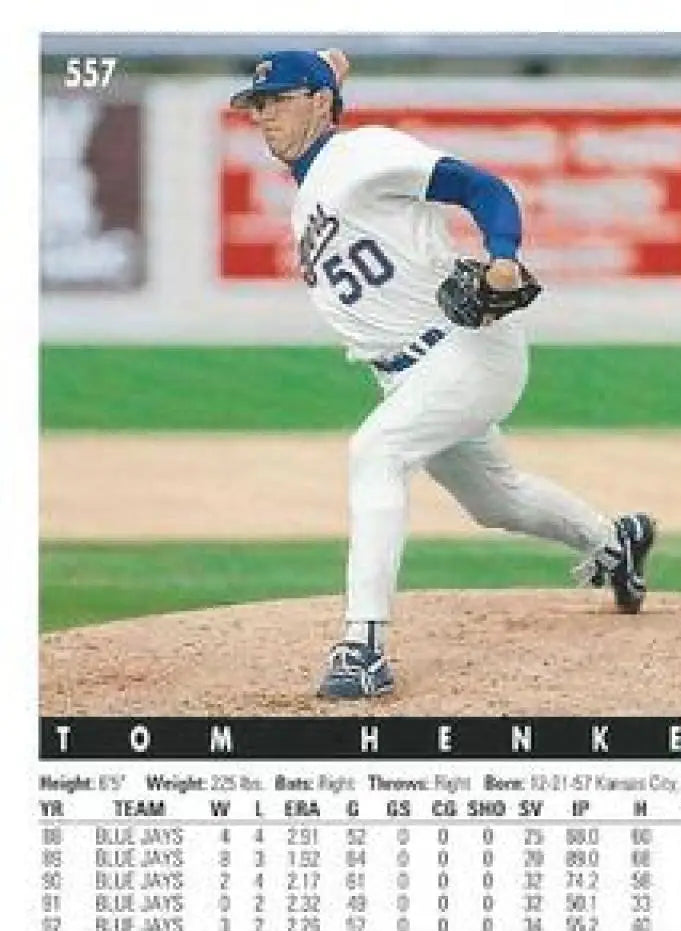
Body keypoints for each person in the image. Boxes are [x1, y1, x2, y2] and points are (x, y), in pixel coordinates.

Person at [230, 49, 655, 700]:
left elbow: (482, 187)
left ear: (319, 104)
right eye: (258, 105)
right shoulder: (315, 184)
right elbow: (327, 79)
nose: (263, 117)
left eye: (278, 101)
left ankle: (362, 647)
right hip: (412, 375)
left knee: (376, 452)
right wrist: (323, 72)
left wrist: (503, 258)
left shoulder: (361, 152)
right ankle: (614, 541)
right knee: (497, 501)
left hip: (465, 346)